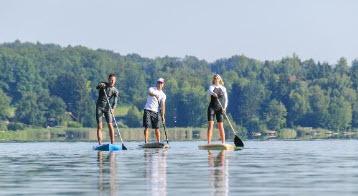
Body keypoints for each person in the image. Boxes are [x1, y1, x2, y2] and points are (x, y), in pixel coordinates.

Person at [96, 73, 119, 145]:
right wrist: (101, 85)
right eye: (111, 80)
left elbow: (115, 102)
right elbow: (97, 87)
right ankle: (100, 144)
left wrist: (113, 108)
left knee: (110, 125)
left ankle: (112, 143)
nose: (112, 81)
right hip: (99, 107)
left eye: (113, 80)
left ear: (115, 81)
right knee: (100, 126)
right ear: (108, 80)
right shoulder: (103, 84)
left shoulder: (115, 91)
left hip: (107, 108)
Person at [143, 78, 166, 143]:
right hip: (147, 109)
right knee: (147, 126)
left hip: (156, 111)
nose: (159, 84)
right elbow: (150, 93)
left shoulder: (163, 95)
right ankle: (146, 142)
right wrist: (155, 95)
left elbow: (162, 105)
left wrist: (163, 116)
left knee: (157, 128)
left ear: (163, 84)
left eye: (161, 83)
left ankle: (158, 142)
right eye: (158, 82)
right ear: (156, 83)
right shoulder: (152, 89)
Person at [207, 74, 228, 144]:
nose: (216, 79)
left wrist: (224, 108)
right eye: (215, 78)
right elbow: (209, 91)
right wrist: (213, 93)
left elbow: (226, 99)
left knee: (221, 126)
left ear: (219, 79)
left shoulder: (223, 88)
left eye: (217, 78)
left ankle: (223, 143)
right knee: (210, 125)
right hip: (212, 108)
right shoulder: (211, 87)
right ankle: (209, 143)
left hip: (220, 109)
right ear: (213, 79)